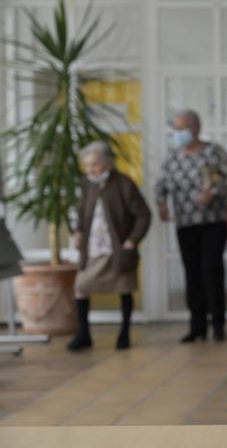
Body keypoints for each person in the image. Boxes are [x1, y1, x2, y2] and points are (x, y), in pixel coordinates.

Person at [155, 110, 227, 342]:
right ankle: (197, 325)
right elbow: (161, 184)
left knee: (211, 270)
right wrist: (161, 203)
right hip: (185, 223)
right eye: (175, 128)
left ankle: (218, 323)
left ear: (195, 128)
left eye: (182, 128)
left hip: (213, 222)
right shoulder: (172, 157)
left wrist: (214, 192)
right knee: (192, 273)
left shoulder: (213, 151)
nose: (178, 133)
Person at [68, 142, 151, 352]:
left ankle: (124, 333)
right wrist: (78, 232)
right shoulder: (87, 183)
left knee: (124, 288)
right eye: (87, 165)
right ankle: (84, 334)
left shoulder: (124, 183)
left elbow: (143, 214)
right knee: (81, 287)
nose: (90, 169)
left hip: (118, 249)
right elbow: (82, 212)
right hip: (93, 248)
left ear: (107, 162)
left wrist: (132, 240)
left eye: (94, 164)